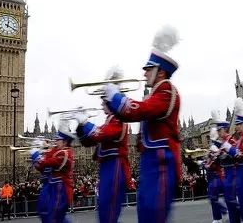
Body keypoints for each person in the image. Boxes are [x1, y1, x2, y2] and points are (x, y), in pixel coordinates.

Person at [102, 25, 182, 223]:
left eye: (148, 69)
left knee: (152, 216)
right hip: (151, 162)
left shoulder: (166, 91)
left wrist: (115, 96)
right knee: (145, 214)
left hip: (161, 162)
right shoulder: (157, 93)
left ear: (160, 72)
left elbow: (139, 110)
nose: (145, 73)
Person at [75, 68, 132, 223]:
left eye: (103, 100)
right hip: (108, 167)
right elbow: (90, 141)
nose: (101, 104)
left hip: (115, 168)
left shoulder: (118, 120)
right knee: (105, 213)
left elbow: (100, 134)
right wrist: (81, 126)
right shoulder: (110, 120)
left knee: (108, 214)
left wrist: (85, 122)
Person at [31, 125, 75, 223]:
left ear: (64, 142)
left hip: (61, 189)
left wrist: (35, 153)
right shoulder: (57, 151)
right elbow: (41, 166)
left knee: (54, 217)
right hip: (54, 188)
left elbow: (45, 162)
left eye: (58, 139)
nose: (55, 141)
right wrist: (41, 148)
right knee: (50, 215)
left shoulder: (65, 154)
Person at [210, 120, 241, 223]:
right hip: (226, 172)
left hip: (233, 171)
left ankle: (239, 218)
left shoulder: (231, 140)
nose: (218, 133)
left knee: (232, 199)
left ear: (225, 129)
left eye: (220, 130)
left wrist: (225, 154)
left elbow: (237, 155)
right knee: (228, 199)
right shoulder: (223, 142)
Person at [204, 144, 228, 223]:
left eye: (211, 151)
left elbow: (209, 166)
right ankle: (217, 218)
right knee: (213, 198)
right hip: (211, 179)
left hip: (216, 177)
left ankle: (224, 209)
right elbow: (206, 165)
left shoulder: (216, 158)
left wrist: (211, 156)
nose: (209, 152)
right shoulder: (210, 159)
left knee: (212, 198)